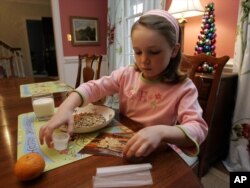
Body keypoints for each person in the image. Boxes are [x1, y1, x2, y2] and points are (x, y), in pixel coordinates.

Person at [39, 9, 208, 159]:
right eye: (137, 51)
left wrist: (161, 131)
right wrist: (66, 108)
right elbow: (94, 87)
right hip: (121, 143)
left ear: (174, 50)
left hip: (156, 152)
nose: (144, 60)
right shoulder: (126, 75)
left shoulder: (184, 88)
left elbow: (198, 129)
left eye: (154, 52)